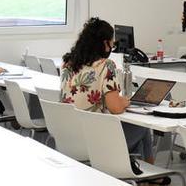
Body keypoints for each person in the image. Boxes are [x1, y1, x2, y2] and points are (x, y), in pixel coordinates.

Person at [60, 18, 155, 164]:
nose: (112, 46)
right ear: (105, 44)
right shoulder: (106, 66)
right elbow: (115, 108)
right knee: (142, 128)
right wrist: (124, 101)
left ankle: (146, 177)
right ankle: (148, 177)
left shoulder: (68, 64)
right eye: (112, 43)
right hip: (96, 141)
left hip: (71, 137)